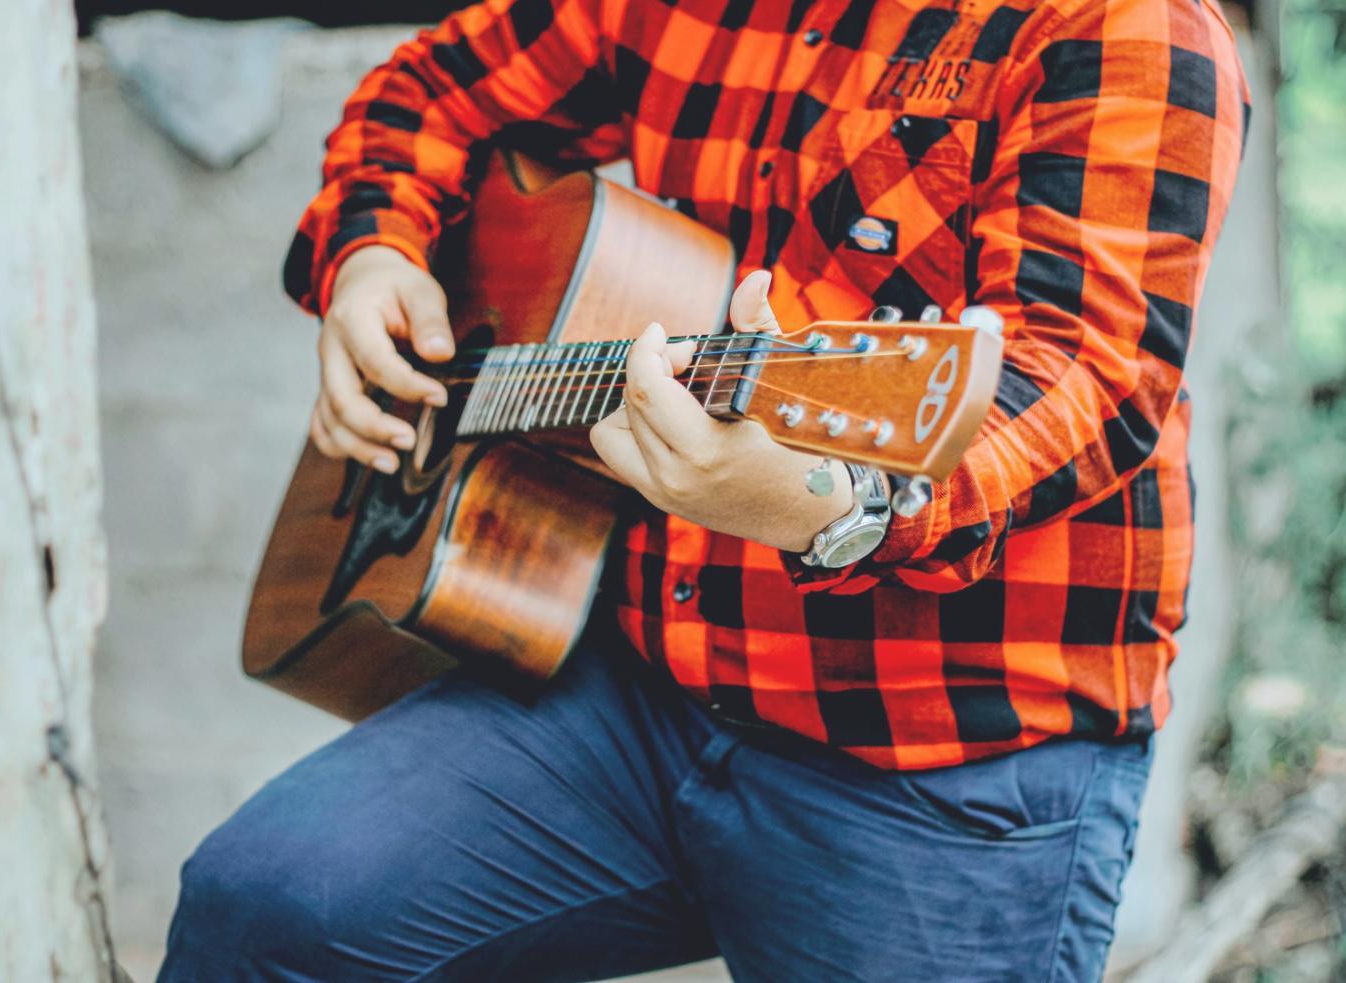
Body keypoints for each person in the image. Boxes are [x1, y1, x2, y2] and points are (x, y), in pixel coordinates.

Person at [159, 0, 1248, 978]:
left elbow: (1081, 382)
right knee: (257, 912)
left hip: (943, 751)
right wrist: (372, 252)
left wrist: (838, 504)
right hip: (644, 685)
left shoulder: (1121, 26)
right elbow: (429, 88)